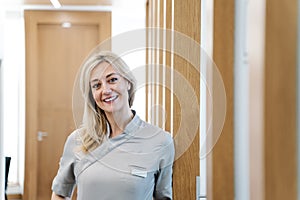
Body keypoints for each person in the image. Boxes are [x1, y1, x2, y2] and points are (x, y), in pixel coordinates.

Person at [51, 51, 175, 200]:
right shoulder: (77, 140)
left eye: (112, 80)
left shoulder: (160, 141)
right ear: (92, 95)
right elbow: (60, 193)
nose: (105, 90)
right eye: (97, 85)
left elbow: (163, 197)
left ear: (128, 82)